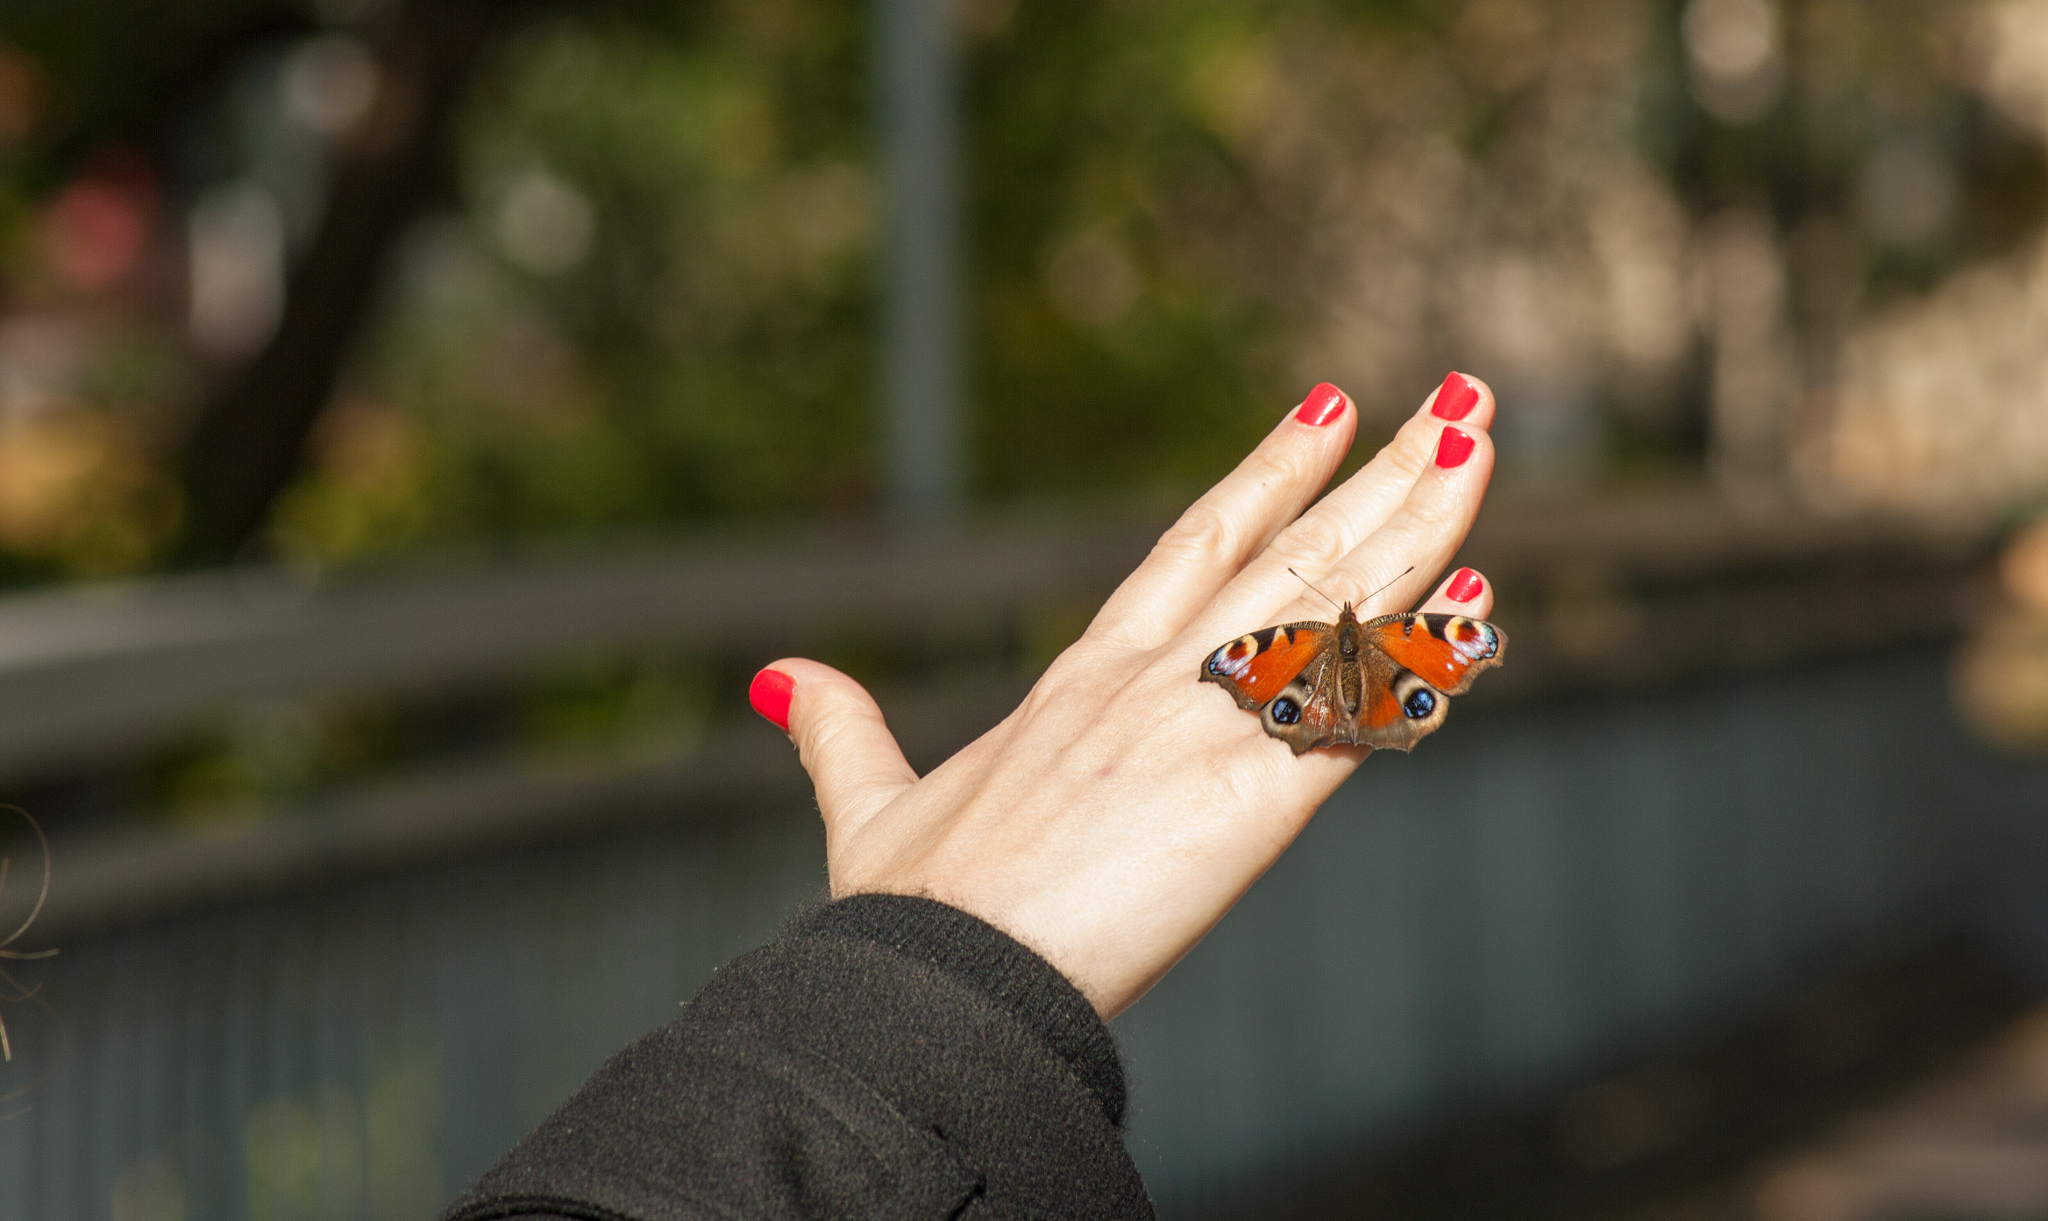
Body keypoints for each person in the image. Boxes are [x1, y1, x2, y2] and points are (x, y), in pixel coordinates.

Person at [441, 374, 1498, 1220]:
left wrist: (916, 975)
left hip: (1314, 680)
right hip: (1349, 678)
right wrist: (936, 989)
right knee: (1362, 676)